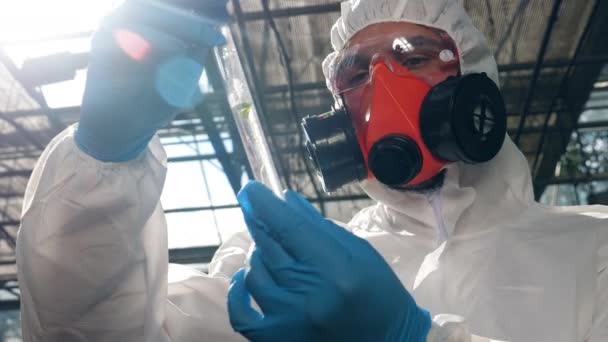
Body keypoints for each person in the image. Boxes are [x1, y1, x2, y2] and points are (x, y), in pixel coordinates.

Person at [16, 0, 608, 342]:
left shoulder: (593, 247)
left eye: (412, 56)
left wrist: (410, 337)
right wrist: (102, 164)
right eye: (354, 73)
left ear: (476, 79)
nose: (382, 86)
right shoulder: (273, 273)